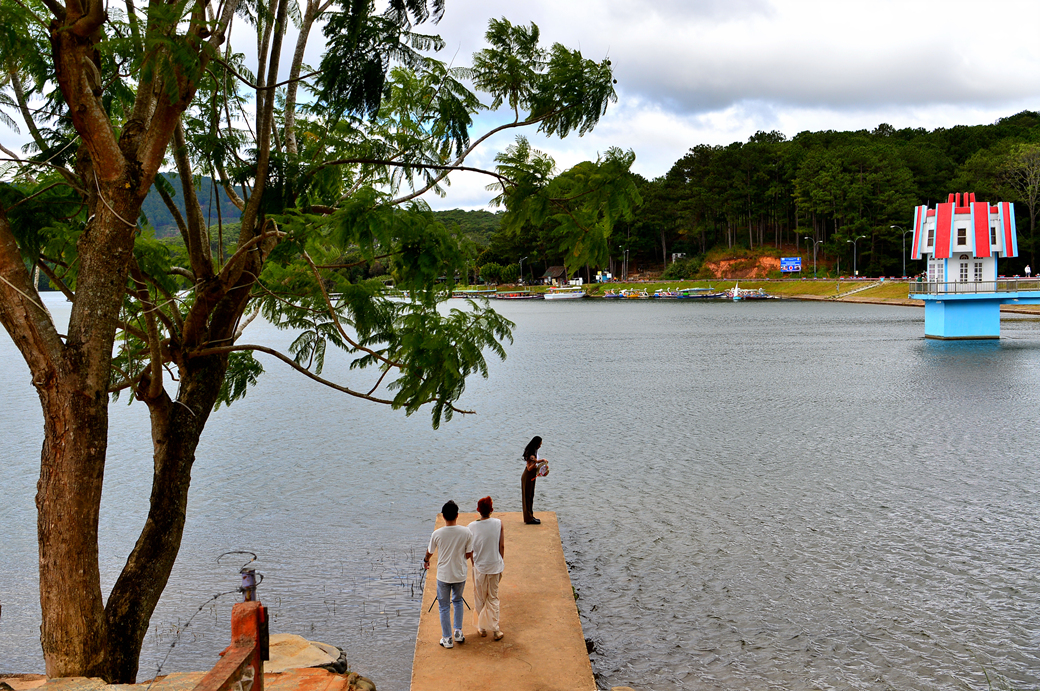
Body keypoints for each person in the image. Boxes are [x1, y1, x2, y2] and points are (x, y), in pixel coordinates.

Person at [424, 500, 473, 649]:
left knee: (444, 606)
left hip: (443, 576)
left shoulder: (437, 534)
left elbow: (430, 552)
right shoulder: (466, 532)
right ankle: (458, 632)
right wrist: (459, 558)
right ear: (457, 515)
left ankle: (447, 638)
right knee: (457, 601)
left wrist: (426, 560)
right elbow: (469, 553)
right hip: (459, 574)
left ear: (443, 516)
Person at [468, 496, 505, 640]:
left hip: (480, 567)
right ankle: (496, 630)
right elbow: (501, 546)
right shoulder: (498, 523)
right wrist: (500, 560)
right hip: (495, 565)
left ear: (478, 510)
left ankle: (482, 628)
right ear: (492, 510)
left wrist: (473, 563)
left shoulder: (471, 527)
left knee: (480, 597)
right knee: (493, 597)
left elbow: (470, 549)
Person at [521, 436, 544, 525]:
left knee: (531, 496)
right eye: (539, 444)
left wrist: (542, 461)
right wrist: (534, 465)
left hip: (531, 476)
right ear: (536, 444)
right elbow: (529, 468)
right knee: (527, 497)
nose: (540, 446)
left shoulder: (533, 452)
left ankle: (530, 516)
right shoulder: (531, 455)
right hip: (528, 476)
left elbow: (535, 461)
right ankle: (528, 518)